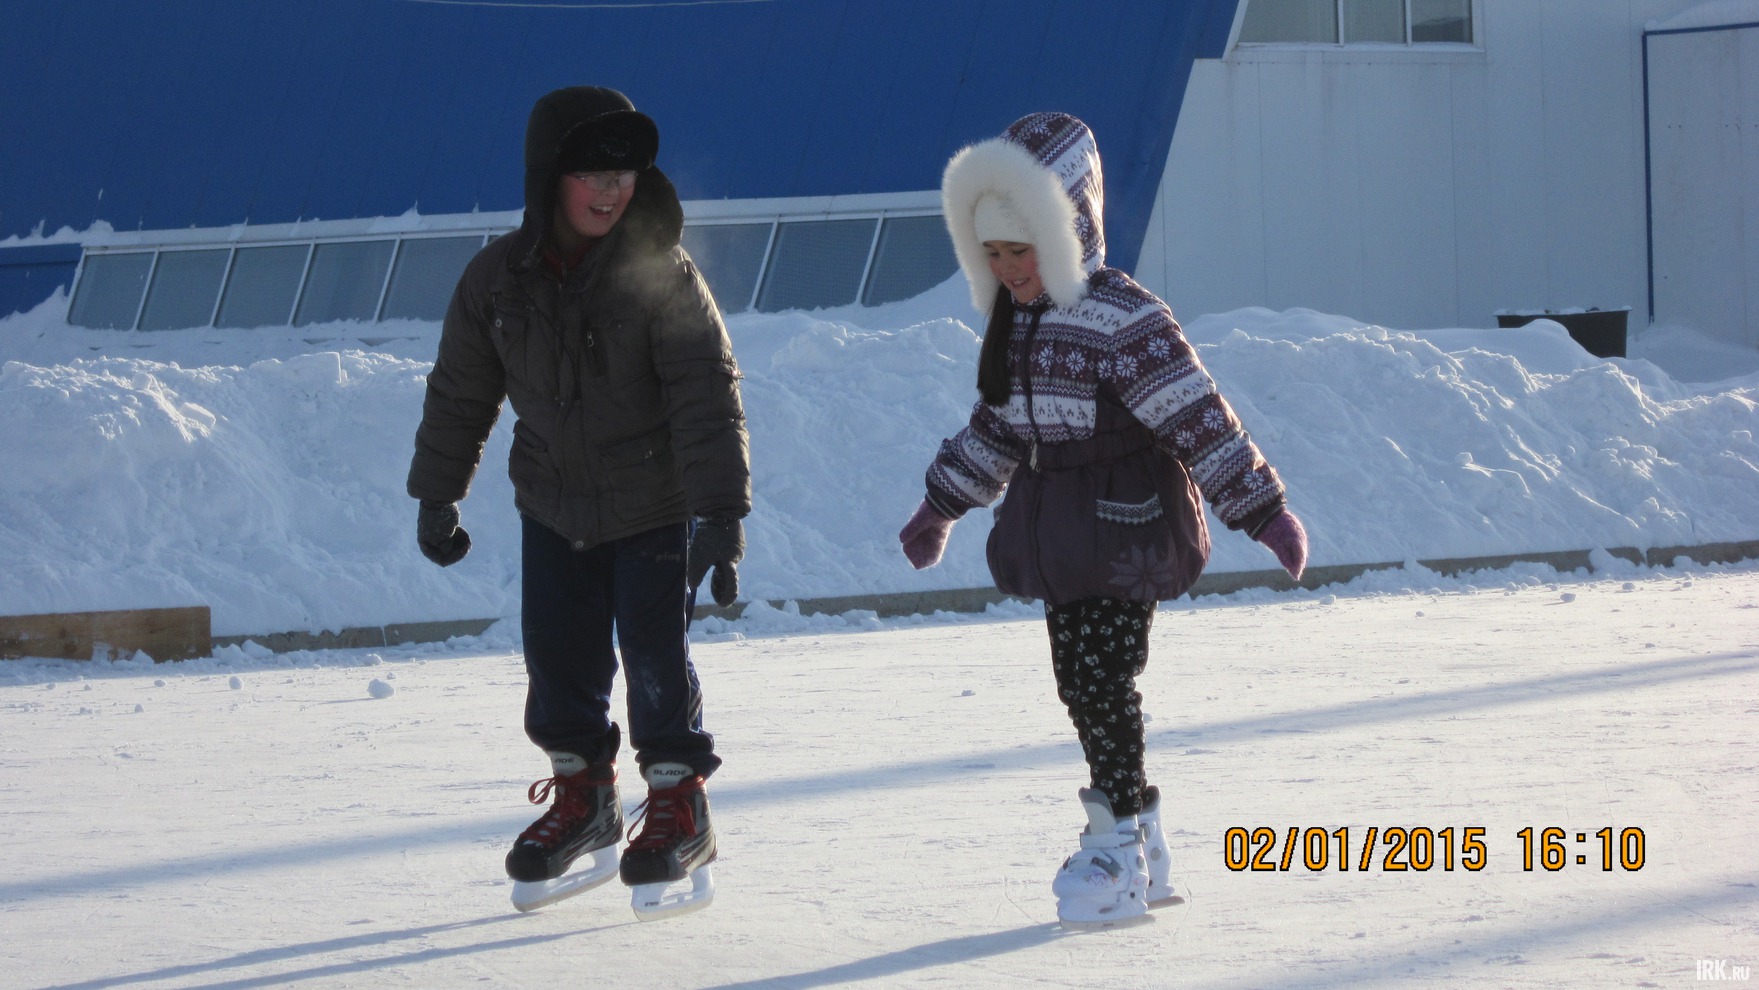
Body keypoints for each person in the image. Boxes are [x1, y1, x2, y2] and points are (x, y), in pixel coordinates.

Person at [898, 112, 1308, 929]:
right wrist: (939, 505)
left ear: (1066, 229)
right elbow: (998, 429)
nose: (1009, 269)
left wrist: (1262, 510)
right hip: (1056, 534)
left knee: (1099, 678)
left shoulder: (1123, 316)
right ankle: (1142, 838)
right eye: (994, 254)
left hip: (1127, 529)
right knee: (1079, 685)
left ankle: (1116, 841)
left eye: (1023, 249)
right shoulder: (1015, 328)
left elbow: (1198, 419)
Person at [407, 85, 749, 918]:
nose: (611, 190)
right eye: (593, 173)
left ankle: (678, 803)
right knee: (557, 658)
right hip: (552, 504)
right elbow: (461, 394)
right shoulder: (498, 280)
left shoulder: (658, 270)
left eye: (625, 173)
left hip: (653, 506)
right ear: (548, 178)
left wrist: (722, 515)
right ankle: (583, 798)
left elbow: (706, 393)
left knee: (656, 657)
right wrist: (437, 495)